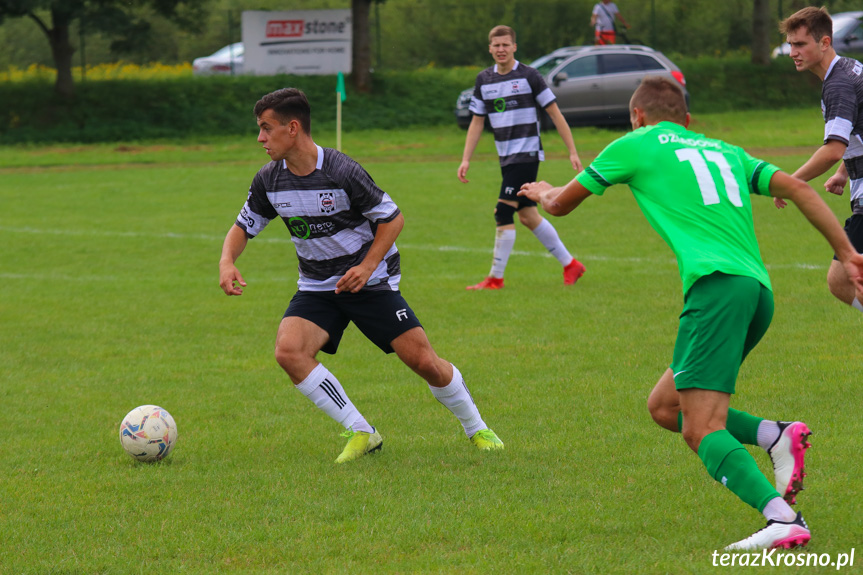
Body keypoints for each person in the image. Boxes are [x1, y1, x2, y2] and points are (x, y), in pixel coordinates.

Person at [519, 77, 863, 550]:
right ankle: (775, 435)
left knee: (701, 427)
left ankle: (781, 517)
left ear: (637, 115)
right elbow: (802, 192)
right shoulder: (725, 150)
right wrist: (846, 253)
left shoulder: (635, 142)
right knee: (665, 407)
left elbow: (560, 204)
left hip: (716, 289)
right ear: (687, 121)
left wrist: (541, 192)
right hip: (756, 291)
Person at [219, 88, 503, 463]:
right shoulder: (269, 180)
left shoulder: (341, 170)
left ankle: (477, 427)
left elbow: (392, 218)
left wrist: (367, 266)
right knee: (289, 351)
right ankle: (361, 431)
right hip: (318, 286)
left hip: (371, 281)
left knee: (423, 362)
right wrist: (227, 260)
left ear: (292, 128)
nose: (260, 138)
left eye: (265, 129)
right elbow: (244, 225)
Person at [458, 25, 586, 291]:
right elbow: (476, 123)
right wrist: (465, 159)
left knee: (503, 211)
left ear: (514, 46)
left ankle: (495, 279)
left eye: (506, 44)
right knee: (527, 215)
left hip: (526, 155)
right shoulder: (484, 80)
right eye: (497, 45)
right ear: (490, 49)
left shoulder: (529, 75)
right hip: (506, 158)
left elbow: (555, 114)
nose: (501, 49)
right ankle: (571, 264)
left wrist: (572, 150)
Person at [776, 6, 863, 313]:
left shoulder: (838, 84)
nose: (792, 52)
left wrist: (790, 181)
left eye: (800, 44)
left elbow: (833, 149)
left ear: (824, 43)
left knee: (843, 279)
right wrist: (844, 172)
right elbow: (856, 135)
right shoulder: (849, 68)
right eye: (790, 44)